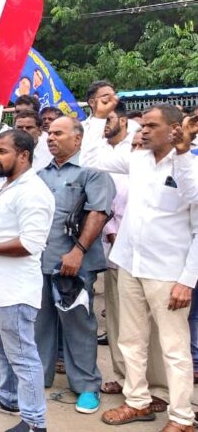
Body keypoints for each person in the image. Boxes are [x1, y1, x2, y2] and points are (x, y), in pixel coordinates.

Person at [83, 104, 198, 430]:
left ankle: (182, 418)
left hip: (168, 273)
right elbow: (89, 157)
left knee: (174, 348)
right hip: (129, 264)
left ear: (174, 129)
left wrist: (187, 280)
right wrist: (99, 117)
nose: (142, 131)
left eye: (151, 126)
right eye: (142, 125)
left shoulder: (190, 165)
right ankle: (137, 401)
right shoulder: (137, 159)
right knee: (130, 340)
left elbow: (195, 211)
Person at [0, 130, 54, 432]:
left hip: (13, 291)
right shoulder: (1, 185)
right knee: (0, 350)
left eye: (2, 151)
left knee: (23, 357)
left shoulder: (33, 191)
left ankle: (34, 422)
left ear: (24, 155)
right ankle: (8, 398)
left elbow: (31, 243)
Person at [36, 117, 115, 414]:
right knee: (40, 323)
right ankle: (38, 378)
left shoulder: (91, 172)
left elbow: (98, 213)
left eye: (58, 133)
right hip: (42, 260)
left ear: (78, 139)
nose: (51, 138)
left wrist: (78, 251)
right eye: (49, 133)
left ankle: (86, 386)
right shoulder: (40, 174)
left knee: (78, 324)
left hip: (74, 263)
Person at [98, 109, 169, 414]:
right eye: (135, 143)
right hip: (122, 258)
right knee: (122, 327)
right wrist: (112, 233)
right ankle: (126, 380)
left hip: (160, 265)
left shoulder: (172, 171)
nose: (139, 147)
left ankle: (159, 389)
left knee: (159, 332)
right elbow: (106, 208)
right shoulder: (122, 169)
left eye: (143, 141)